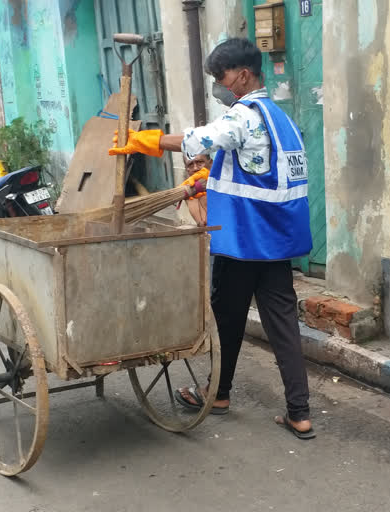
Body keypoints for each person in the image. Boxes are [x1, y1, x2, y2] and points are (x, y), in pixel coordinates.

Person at [109, 38, 314, 439]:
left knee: (226, 320)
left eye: (220, 78)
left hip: (242, 242)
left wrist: (143, 140)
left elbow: (198, 141)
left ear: (242, 74)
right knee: (284, 326)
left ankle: (217, 394)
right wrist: (209, 182)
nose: (219, 86)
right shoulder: (281, 119)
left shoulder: (244, 116)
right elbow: (256, 171)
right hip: (276, 244)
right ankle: (299, 412)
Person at [183, 153, 212, 227]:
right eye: (190, 164)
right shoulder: (188, 192)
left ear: (210, 163)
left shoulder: (221, 188)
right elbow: (202, 224)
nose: (195, 168)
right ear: (187, 169)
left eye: (200, 162)